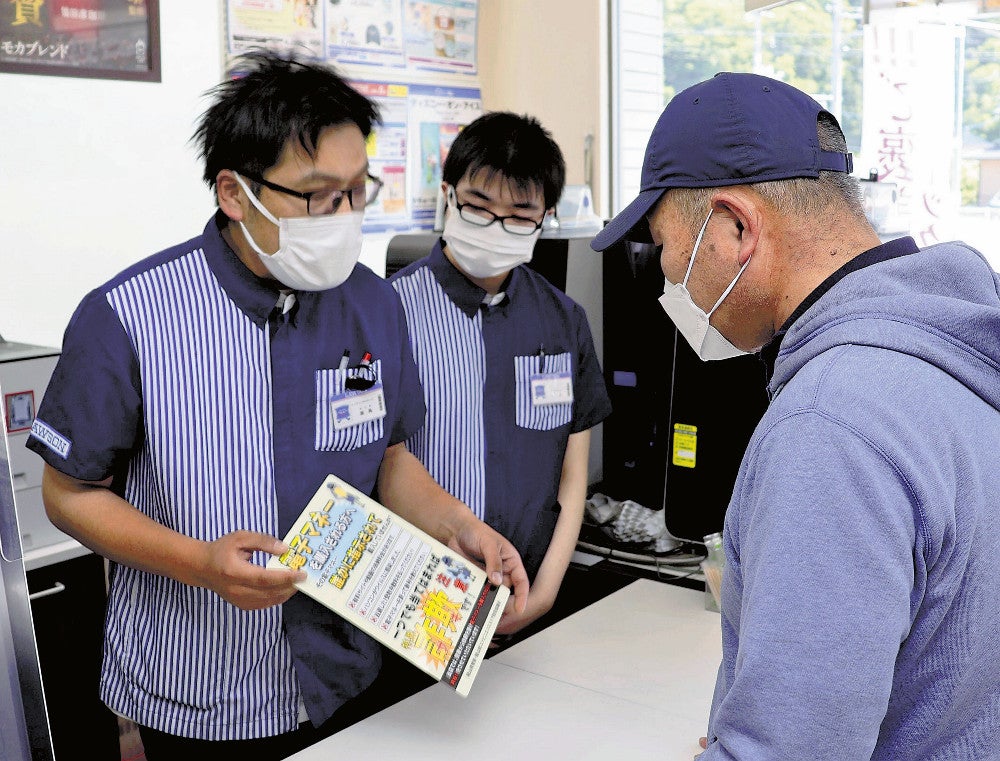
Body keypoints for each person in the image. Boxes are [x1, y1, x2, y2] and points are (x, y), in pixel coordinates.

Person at [26, 52, 528, 760]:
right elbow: (68, 493)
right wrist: (201, 561)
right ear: (235, 194)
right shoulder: (130, 315)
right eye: (321, 195)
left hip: (344, 674)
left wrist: (459, 525)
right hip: (199, 686)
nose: (346, 215)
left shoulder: (372, 304)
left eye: (358, 191)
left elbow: (388, 459)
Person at [591, 72, 1000, 760]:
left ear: (735, 229)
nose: (666, 277)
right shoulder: (954, 351)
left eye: (664, 248)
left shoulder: (832, 423)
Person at [390, 112, 612, 636]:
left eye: (519, 214)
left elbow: (572, 477)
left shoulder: (563, 320)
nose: (496, 226)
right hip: (415, 601)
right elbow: (379, 463)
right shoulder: (389, 310)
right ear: (448, 196)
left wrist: (547, 589)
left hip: (527, 595)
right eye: (478, 206)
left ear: (545, 217)